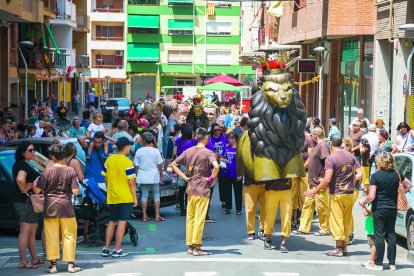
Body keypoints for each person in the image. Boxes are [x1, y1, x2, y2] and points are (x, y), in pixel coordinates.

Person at [306, 135, 362, 257]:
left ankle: (338, 249)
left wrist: (315, 190)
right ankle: (345, 246)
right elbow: (359, 173)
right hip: (350, 193)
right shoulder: (350, 156)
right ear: (341, 143)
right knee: (346, 220)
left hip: (337, 193)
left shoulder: (331, 159)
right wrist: (350, 182)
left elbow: (327, 179)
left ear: (331, 145)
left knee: (337, 220)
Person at [33, 144, 82, 273]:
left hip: (50, 206)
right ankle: (71, 265)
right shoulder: (70, 170)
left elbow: (37, 189)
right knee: (69, 235)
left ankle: (53, 265)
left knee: (51, 235)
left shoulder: (47, 171)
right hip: (66, 206)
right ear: (64, 156)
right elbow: (76, 191)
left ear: (53, 157)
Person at [171, 128, 219, 256]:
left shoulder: (188, 151)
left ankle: (190, 246)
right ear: (206, 138)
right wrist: (211, 178)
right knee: (199, 218)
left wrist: (185, 177)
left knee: (190, 218)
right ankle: (197, 246)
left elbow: (173, 164)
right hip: (203, 188)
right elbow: (216, 166)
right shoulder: (208, 152)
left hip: (190, 187)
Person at [359, 152, 412, 271]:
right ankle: (392, 263)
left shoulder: (376, 176)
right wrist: (401, 192)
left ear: (379, 162)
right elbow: (409, 185)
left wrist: (364, 201)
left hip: (379, 208)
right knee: (391, 234)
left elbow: (372, 196)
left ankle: (378, 263)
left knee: (379, 235)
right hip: (392, 208)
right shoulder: (397, 174)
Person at [101, 137, 137, 258]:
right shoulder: (127, 162)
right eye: (129, 146)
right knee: (122, 223)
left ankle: (106, 248)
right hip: (125, 197)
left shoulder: (109, 160)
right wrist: (135, 197)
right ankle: (117, 249)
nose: (129, 148)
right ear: (125, 147)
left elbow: (105, 178)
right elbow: (131, 182)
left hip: (112, 196)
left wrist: (110, 189)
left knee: (112, 222)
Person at [12, 142, 44, 269]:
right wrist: (24, 189)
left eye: (34, 150)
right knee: (25, 232)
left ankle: (34, 259)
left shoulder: (25, 164)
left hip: (28, 201)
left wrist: (34, 159)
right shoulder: (22, 165)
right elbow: (20, 179)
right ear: (22, 152)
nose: (33, 152)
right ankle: (23, 261)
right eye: (30, 150)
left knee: (31, 231)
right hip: (25, 201)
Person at [78, 131, 113, 240]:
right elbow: (80, 140)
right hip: (90, 181)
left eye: (99, 142)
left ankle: (102, 229)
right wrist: (88, 136)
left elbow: (122, 144)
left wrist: (108, 138)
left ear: (103, 141)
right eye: (96, 142)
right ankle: (85, 232)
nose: (97, 144)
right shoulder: (89, 146)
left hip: (103, 182)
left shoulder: (107, 146)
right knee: (87, 205)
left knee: (104, 207)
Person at [295, 127, 330, 235]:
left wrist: (325, 177)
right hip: (312, 182)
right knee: (307, 205)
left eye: (312, 135)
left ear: (315, 135)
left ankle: (325, 228)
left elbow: (327, 161)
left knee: (322, 207)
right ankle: (303, 228)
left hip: (319, 183)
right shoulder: (316, 145)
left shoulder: (323, 145)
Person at [134, 132, 164, 222]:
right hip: (154, 175)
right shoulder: (156, 151)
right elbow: (159, 165)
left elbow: (136, 165)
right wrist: (161, 175)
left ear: (143, 140)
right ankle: (157, 215)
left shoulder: (139, 151)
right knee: (156, 195)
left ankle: (144, 216)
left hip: (143, 175)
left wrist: (136, 175)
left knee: (144, 196)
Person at [291, 122, 314, 230]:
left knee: (304, 197)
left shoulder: (308, 139)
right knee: (292, 196)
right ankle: (293, 219)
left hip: (304, 171)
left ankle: (303, 221)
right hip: (293, 170)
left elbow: (311, 157)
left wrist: (302, 167)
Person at [263, 178, 293, 253]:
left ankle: (283, 243)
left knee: (287, 216)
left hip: (286, 189)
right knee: (270, 216)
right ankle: (267, 239)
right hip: (271, 189)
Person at [173, 124, 193, 216]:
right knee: (189, 189)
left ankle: (182, 209)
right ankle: (187, 206)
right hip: (191, 167)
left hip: (181, 166)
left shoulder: (178, 141)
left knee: (181, 189)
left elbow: (174, 153)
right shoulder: (192, 142)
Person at [221, 132, 242, 215]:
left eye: (229, 138)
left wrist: (241, 174)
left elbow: (242, 162)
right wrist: (222, 160)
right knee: (227, 191)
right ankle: (228, 208)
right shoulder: (226, 148)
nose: (227, 140)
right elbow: (221, 157)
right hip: (226, 173)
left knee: (238, 192)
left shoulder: (239, 149)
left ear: (234, 139)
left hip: (236, 174)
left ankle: (238, 209)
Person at [209, 123, 228, 208]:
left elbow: (228, 146)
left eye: (219, 130)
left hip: (223, 162)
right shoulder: (209, 139)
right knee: (211, 183)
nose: (217, 132)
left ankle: (224, 201)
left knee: (223, 183)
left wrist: (224, 156)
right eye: (215, 130)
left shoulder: (224, 136)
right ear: (212, 131)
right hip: (214, 163)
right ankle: (208, 200)